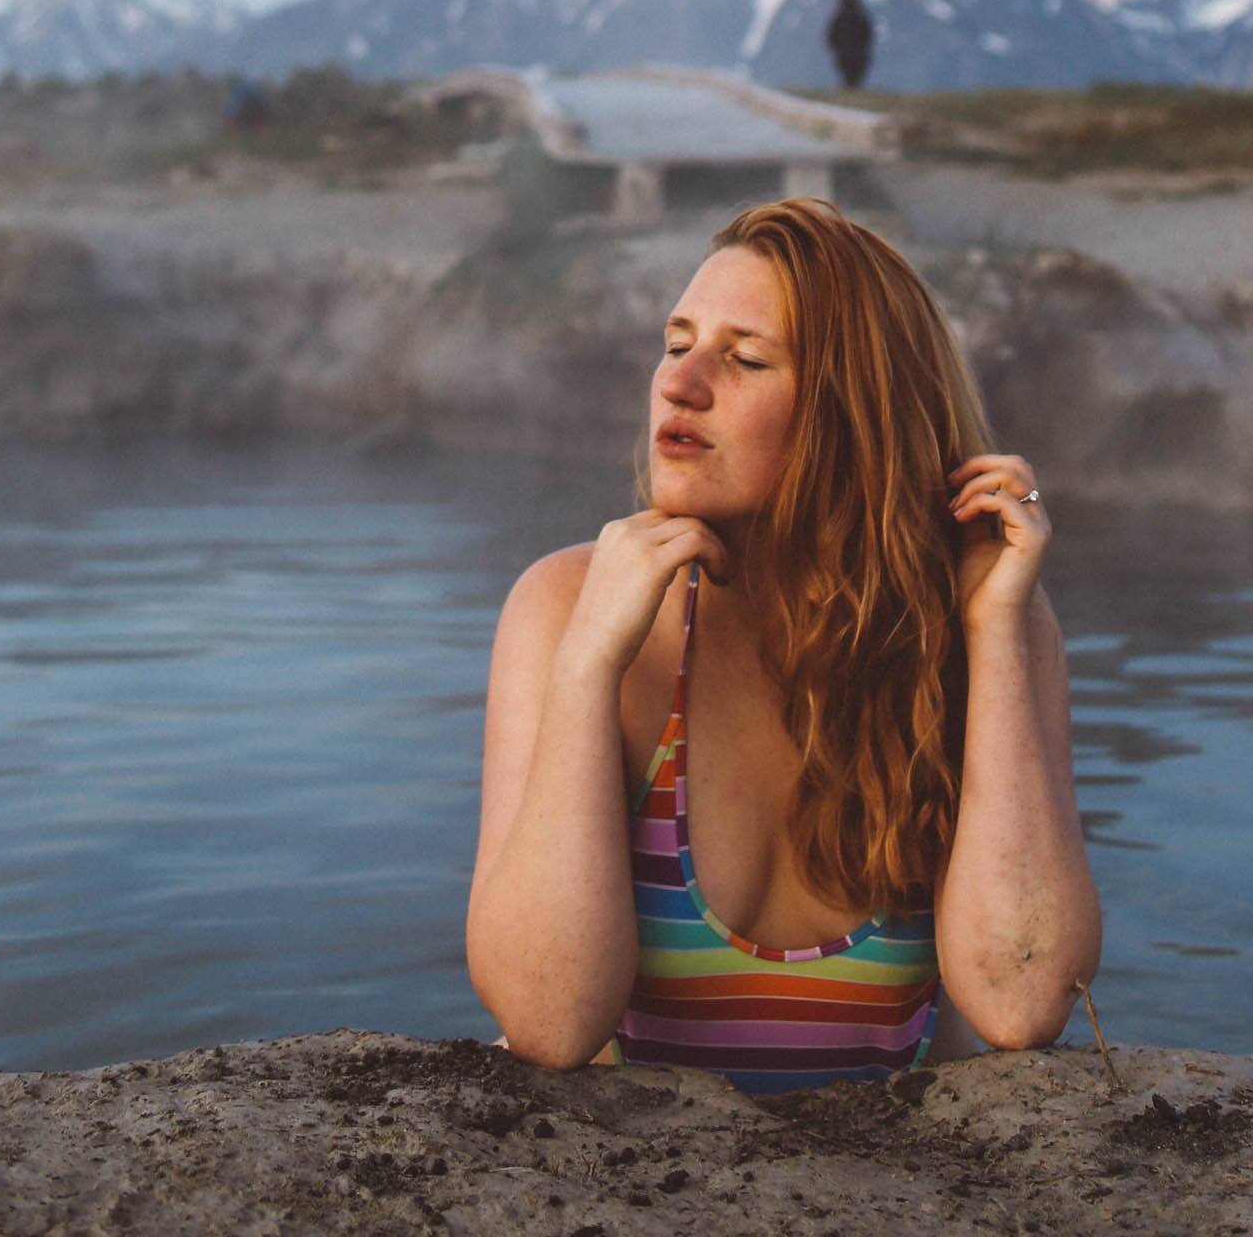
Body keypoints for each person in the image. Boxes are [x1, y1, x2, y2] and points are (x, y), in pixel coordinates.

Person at [467, 197, 1101, 1093]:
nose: (679, 385)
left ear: (855, 416)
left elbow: (1024, 1002)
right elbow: (549, 1022)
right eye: (677, 342)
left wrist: (995, 636)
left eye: (746, 359)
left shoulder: (984, 618)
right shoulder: (565, 608)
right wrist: (585, 668)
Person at [825, 0, 875, 90]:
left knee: (849, 75)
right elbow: (868, 34)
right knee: (853, 76)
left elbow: (830, 35)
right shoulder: (859, 16)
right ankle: (852, 89)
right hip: (856, 52)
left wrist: (834, 45)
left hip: (846, 53)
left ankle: (850, 89)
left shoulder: (840, 17)